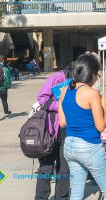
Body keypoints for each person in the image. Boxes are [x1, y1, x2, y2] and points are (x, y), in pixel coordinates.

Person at [59, 53, 106, 200]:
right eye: (97, 75)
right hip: (89, 146)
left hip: (70, 145)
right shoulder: (92, 94)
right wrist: (104, 106)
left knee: (77, 192)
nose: (97, 78)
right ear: (91, 74)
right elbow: (101, 127)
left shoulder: (64, 91)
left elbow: (62, 122)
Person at [35, 67, 72, 200]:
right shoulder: (56, 78)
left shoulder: (80, 81)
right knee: (46, 166)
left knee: (64, 166)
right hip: (50, 128)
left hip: (67, 128)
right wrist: (61, 105)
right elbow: (42, 98)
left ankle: (62, 196)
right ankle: (41, 197)